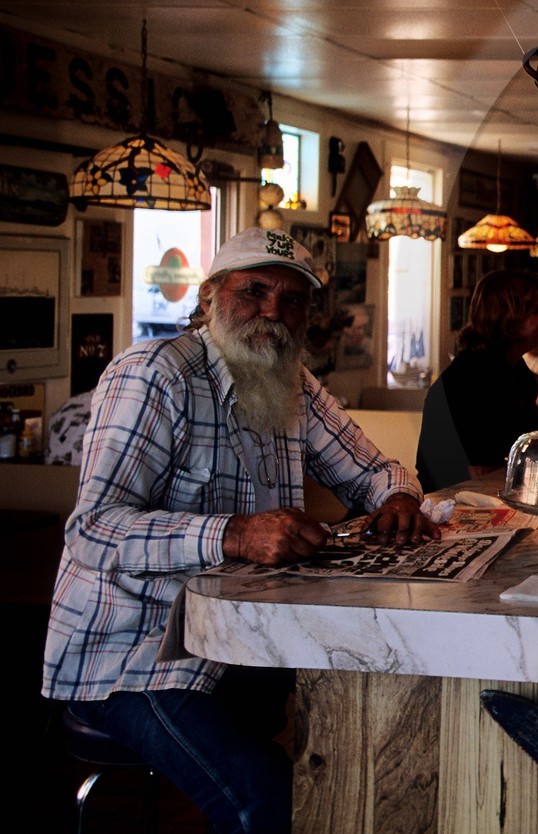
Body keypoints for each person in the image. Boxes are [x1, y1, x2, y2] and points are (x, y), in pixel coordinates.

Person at [41, 227, 437, 834]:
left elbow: (374, 471)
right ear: (208, 298)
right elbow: (93, 530)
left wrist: (400, 496)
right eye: (254, 290)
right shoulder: (153, 375)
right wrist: (233, 535)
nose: (273, 311)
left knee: (375, 737)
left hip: (241, 643)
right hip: (135, 656)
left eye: (294, 298)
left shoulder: (292, 382)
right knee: (269, 800)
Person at [417, 269, 538, 489]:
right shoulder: (473, 380)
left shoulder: (512, 367)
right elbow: (481, 473)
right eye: (534, 311)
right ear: (507, 319)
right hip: (459, 503)